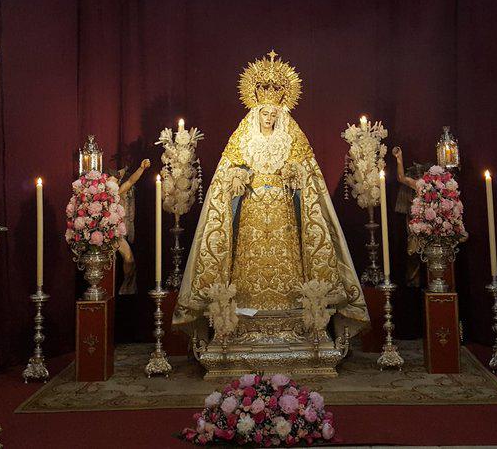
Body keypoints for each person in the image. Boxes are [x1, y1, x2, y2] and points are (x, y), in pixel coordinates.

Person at [174, 52, 368, 351]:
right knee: (247, 264)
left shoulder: (292, 137)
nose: (269, 118)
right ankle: (240, 316)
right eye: (265, 113)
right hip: (252, 211)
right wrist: (237, 173)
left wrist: (294, 170)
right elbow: (228, 169)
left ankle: (296, 315)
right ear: (256, 112)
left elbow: (307, 172)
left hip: (282, 212)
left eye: (274, 114)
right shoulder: (242, 136)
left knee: (287, 263)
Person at [392, 146, 469, 286]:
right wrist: (399, 159)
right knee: (412, 254)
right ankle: (414, 285)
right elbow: (401, 178)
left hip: (438, 228)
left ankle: (438, 280)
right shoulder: (420, 185)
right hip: (420, 226)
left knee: (441, 256)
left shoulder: (444, 189)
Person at [110, 159, 150, 295]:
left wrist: (141, 168)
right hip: (104, 234)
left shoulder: (119, 192)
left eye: (115, 181)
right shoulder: (98, 197)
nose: (112, 184)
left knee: (129, 259)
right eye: (110, 180)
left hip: (116, 235)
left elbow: (131, 181)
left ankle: (128, 285)